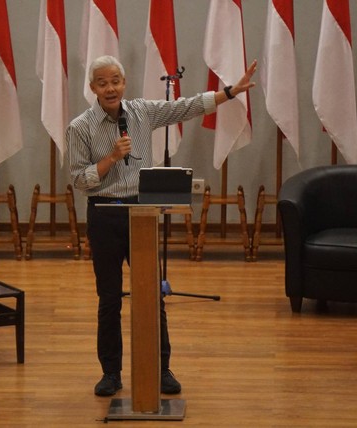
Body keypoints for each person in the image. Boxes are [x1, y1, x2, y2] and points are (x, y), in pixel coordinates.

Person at [66, 55, 257, 397]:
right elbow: (80, 180)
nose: (110, 88)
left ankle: (161, 369)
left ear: (123, 84)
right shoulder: (80, 127)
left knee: (152, 295)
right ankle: (111, 373)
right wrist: (110, 157)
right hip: (104, 215)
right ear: (92, 87)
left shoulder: (141, 111)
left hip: (141, 214)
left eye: (115, 81)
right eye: (102, 82)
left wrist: (228, 92)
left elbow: (187, 107)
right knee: (109, 298)